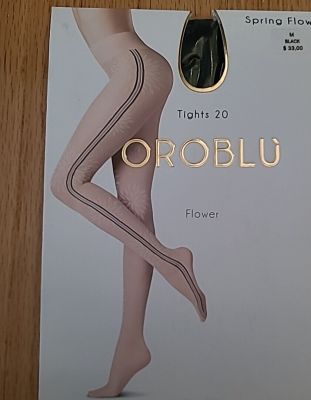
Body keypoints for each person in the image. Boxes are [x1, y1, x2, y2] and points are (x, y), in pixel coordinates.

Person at [49, 8, 207, 398]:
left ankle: (170, 260)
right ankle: (131, 345)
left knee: (68, 183)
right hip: (140, 71)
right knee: (133, 208)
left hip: (134, 73)